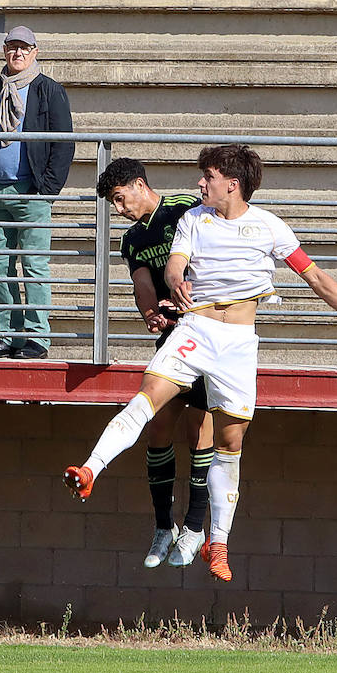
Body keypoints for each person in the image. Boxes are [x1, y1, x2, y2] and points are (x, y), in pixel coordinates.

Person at [63, 145, 337, 582]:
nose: (200, 183)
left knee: (229, 443)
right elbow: (175, 263)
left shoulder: (269, 227)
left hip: (237, 343)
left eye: (208, 177)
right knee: (148, 398)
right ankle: (90, 468)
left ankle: (217, 543)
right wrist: (176, 281)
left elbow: (315, 277)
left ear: (231, 184)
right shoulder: (193, 219)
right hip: (195, 330)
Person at [97, 158, 216, 569]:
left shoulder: (185, 208)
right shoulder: (132, 240)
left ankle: (195, 527)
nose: (118, 209)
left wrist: (186, 295)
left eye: (119, 198)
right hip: (174, 335)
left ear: (138, 184)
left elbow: (209, 261)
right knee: (158, 427)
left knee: (199, 427)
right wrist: (152, 314)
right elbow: (143, 284)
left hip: (208, 331)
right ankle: (164, 526)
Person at [0, 26, 73, 360]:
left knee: (35, 266)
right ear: (4, 50)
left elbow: (64, 143)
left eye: (24, 48)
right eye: (12, 47)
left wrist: (47, 190)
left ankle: (37, 338)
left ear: (35, 51)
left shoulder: (48, 90)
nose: (18, 54)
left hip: (31, 192)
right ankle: (9, 336)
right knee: (1, 267)